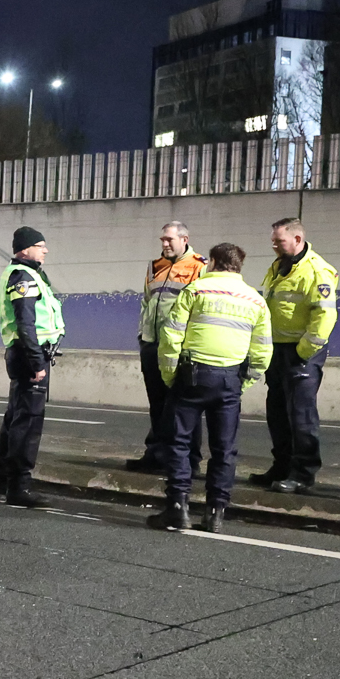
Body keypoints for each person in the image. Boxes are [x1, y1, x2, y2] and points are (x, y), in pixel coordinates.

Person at [146, 243, 272, 533]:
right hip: (230, 380)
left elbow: (170, 335)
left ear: (213, 262)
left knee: (178, 443)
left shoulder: (196, 291)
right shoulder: (255, 300)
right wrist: (244, 381)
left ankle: (177, 508)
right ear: (239, 266)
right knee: (224, 449)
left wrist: (169, 375)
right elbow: (263, 351)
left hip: (192, 376)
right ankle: (216, 513)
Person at [250, 218, 338, 494]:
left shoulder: (317, 271)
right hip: (276, 350)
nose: (274, 245)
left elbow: (325, 315)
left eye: (279, 240)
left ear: (297, 240)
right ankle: (282, 466)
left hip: (300, 353)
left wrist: (304, 352)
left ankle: (303, 473)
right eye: (274, 240)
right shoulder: (279, 267)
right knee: (277, 412)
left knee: (301, 414)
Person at [127, 221, 207, 475]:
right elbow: (147, 303)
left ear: (185, 239)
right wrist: (143, 336)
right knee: (158, 403)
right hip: (153, 344)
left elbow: (201, 309)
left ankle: (189, 461)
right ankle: (157, 453)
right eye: (162, 239)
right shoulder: (154, 267)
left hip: (180, 349)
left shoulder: (199, 267)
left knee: (185, 406)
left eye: (169, 240)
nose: (164, 244)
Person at [0, 227, 59, 507]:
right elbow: (25, 323)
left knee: (15, 418)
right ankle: (19, 487)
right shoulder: (23, 276)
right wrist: (37, 362)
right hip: (29, 355)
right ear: (24, 249)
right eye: (40, 245)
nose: (45, 250)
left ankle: (3, 483)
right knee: (28, 423)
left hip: (25, 354)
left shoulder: (26, 273)